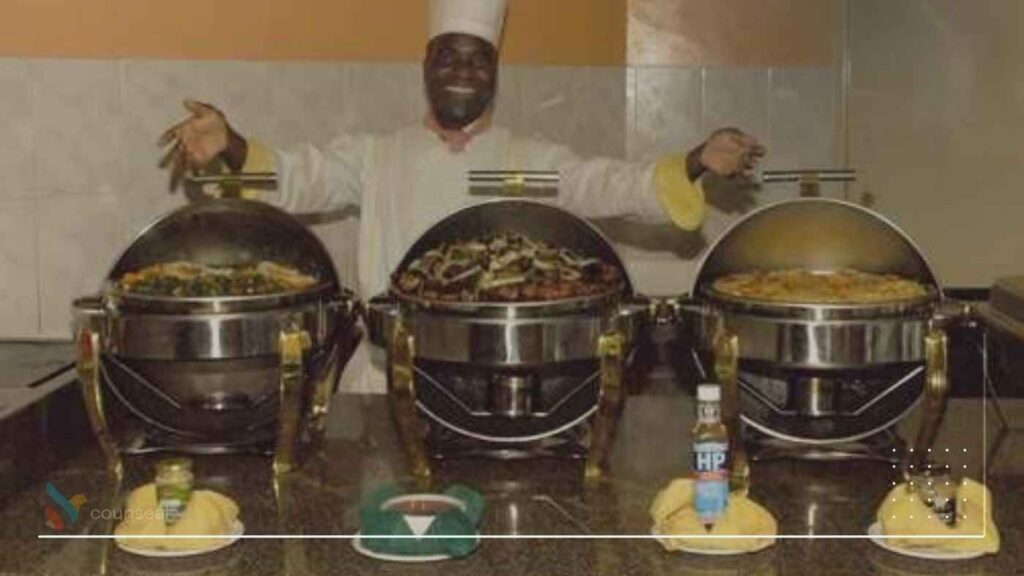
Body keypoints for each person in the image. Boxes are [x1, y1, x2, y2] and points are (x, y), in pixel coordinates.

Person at [159, 0, 765, 393]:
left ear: (495, 73)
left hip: (501, 382)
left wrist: (694, 162)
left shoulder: (530, 158)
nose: (462, 70)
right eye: (448, 56)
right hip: (384, 383)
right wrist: (229, 144)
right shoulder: (376, 154)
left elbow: (605, 183)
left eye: (478, 60)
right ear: (426, 65)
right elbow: (297, 176)